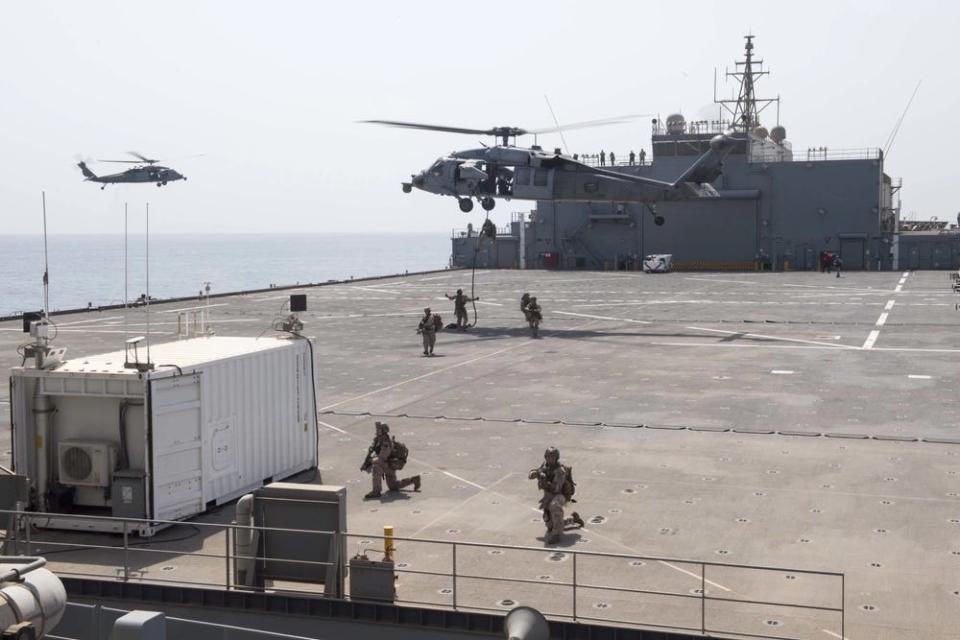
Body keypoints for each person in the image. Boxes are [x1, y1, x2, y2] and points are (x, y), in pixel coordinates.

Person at [528, 447, 583, 544]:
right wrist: (536, 473)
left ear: (556, 458)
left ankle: (556, 535)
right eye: (548, 457)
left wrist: (545, 481)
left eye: (552, 457)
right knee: (550, 525)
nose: (550, 459)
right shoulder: (545, 466)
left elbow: (556, 489)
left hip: (560, 495)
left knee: (554, 505)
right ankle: (573, 519)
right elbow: (532, 474)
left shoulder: (560, 470)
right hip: (548, 495)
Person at [363, 422, 421, 499]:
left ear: (383, 431)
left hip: (388, 465)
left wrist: (370, 461)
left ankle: (376, 491)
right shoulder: (379, 440)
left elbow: (382, 458)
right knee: (393, 486)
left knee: (376, 467)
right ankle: (413, 480)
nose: (377, 431)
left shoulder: (386, 443)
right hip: (388, 465)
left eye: (378, 430)